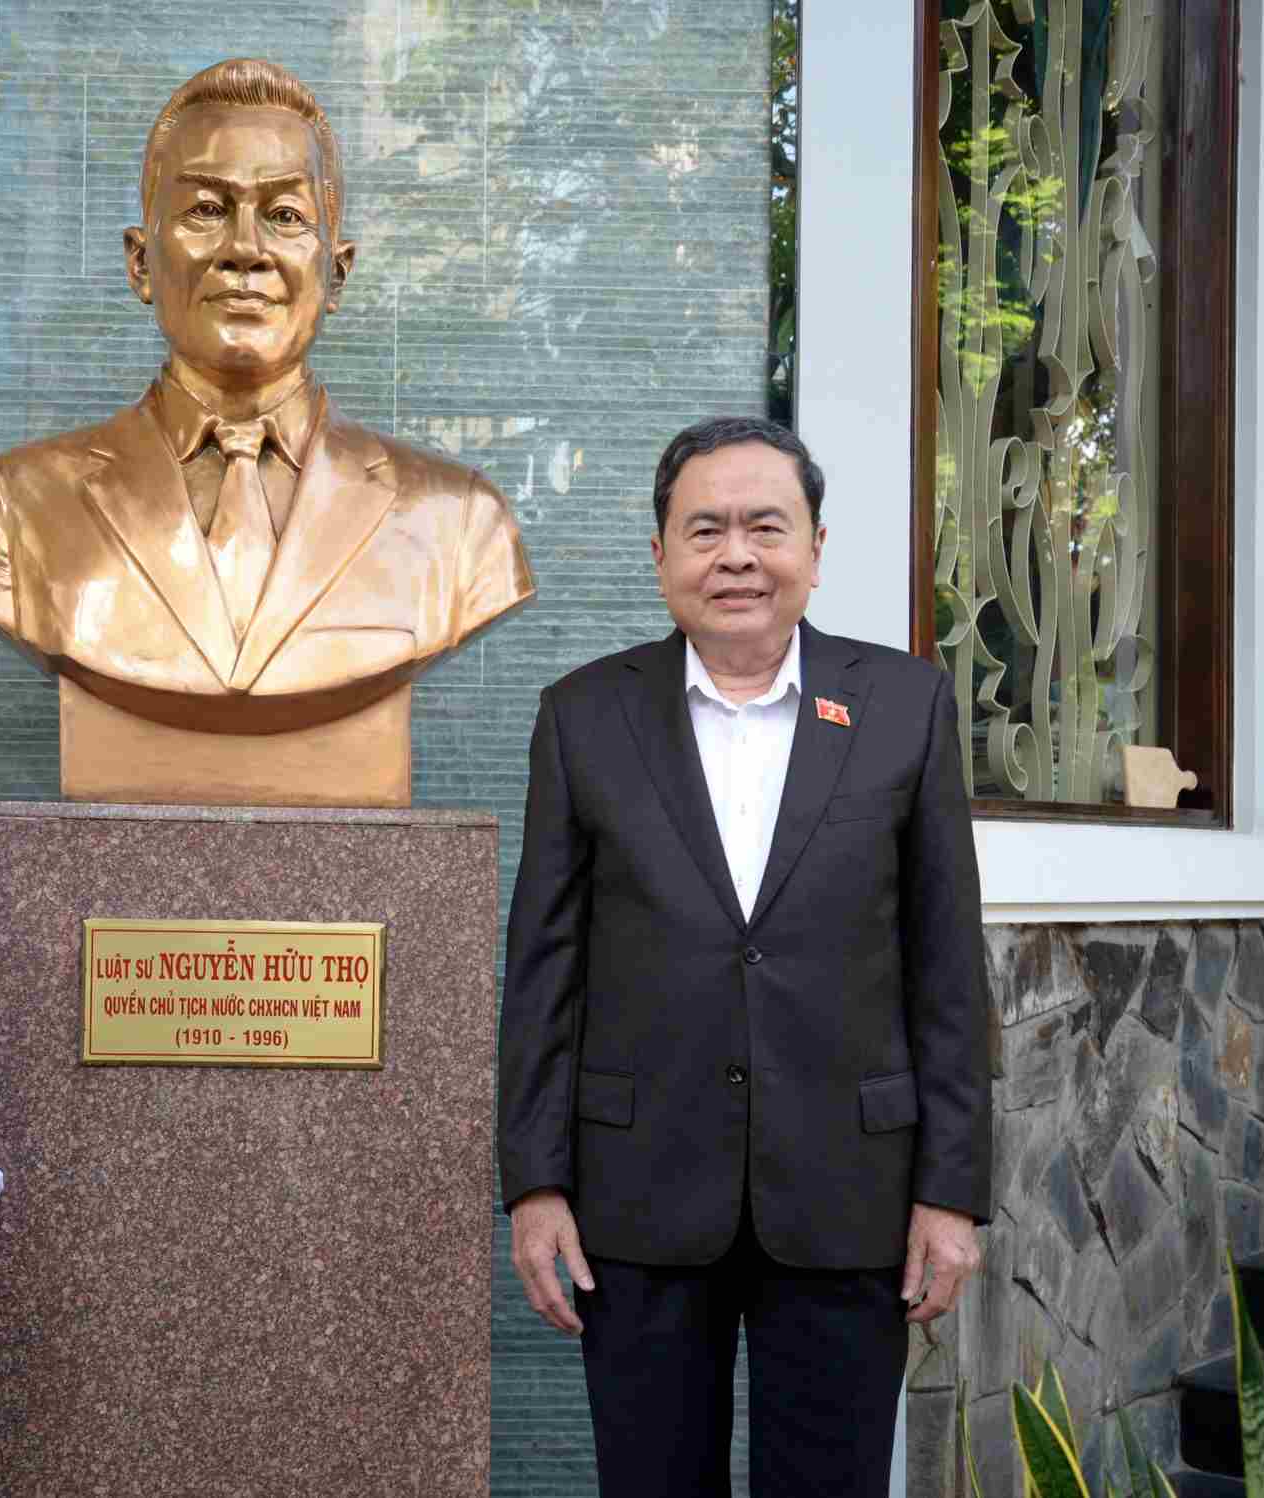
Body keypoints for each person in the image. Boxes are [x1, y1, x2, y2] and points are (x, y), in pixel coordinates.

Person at [495, 416, 990, 1495]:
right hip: (637, 1195)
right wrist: (535, 1185)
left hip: (852, 1195)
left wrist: (951, 1193)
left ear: (816, 548)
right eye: (704, 528)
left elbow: (946, 967)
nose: (736, 556)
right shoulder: (583, 717)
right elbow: (544, 970)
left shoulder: (905, 707)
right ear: (661, 554)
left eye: (767, 526)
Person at [0, 57, 533, 740]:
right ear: (140, 263)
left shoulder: (459, 526)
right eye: (207, 209)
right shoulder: (14, 510)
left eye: (283, 214)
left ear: (336, 272)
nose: (245, 249)